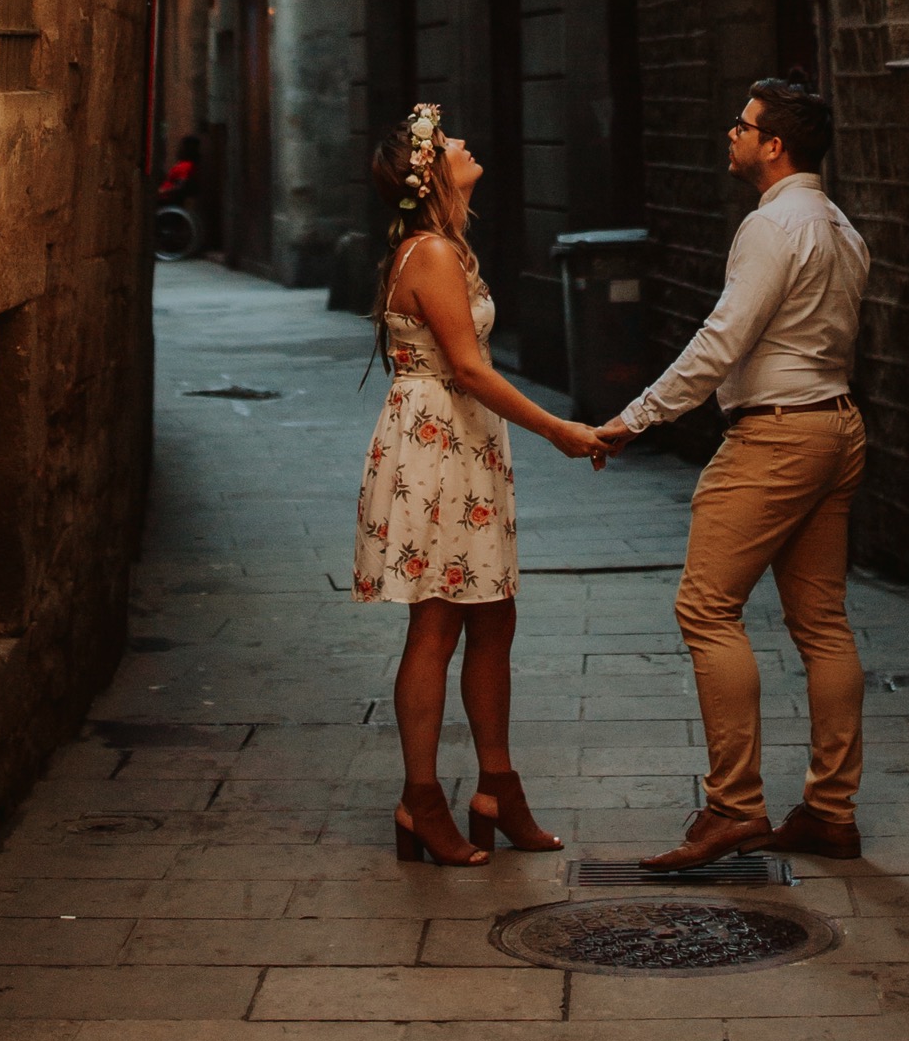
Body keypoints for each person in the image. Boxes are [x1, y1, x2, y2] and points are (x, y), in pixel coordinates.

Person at [596, 76, 871, 872]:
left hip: (777, 437)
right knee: (822, 622)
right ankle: (831, 812)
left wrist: (634, 417)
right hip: (836, 426)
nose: (731, 134)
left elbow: (722, 340)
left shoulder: (771, 227)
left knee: (706, 609)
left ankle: (733, 808)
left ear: (774, 144)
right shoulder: (840, 225)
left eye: (743, 125)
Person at [354, 100, 608, 865]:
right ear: (429, 171)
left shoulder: (449, 248)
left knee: (493, 617)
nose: (465, 140)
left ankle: (497, 789)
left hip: (462, 444)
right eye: (450, 138)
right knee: (437, 621)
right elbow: (468, 367)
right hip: (437, 447)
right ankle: (419, 801)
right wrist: (559, 429)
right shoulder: (430, 252)